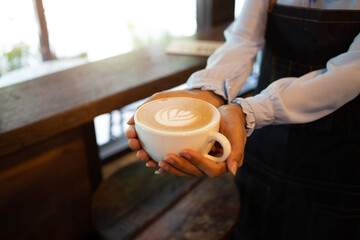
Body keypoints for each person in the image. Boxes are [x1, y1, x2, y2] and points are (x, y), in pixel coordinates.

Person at [127, 0, 360, 239]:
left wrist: (249, 110)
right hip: (260, 139)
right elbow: (244, 40)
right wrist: (209, 91)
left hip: (339, 154)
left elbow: (352, 73)